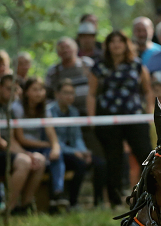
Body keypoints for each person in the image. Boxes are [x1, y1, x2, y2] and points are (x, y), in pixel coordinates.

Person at [87, 30, 154, 207]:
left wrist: (150, 114)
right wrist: (92, 119)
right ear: (107, 45)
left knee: (146, 155)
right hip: (108, 118)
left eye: (120, 41)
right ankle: (115, 201)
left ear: (126, 44)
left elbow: (147, 92)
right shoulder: (99, 66)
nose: (116, 44)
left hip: (135, 117)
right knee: (113, 160)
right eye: (112, 41)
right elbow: (92, 94)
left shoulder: (137, 65)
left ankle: (150, 196)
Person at [11, 77, 69, 211]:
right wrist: (46, 144)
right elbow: (20, 139)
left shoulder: (45, 109)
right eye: (35, 89)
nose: (39, 93)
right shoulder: (17, 108)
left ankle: (56, 194)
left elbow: (51, 132)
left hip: (39, 147)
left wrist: (55, 147)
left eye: (41, 89)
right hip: (23, 147)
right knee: (35, 160)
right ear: (26, 92)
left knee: (53, 156)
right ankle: (14, 205)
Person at [0, 74, 46, 214]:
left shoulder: (9, 110)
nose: (13, 92)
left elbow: (12, 140)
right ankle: (9, 208)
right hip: (1, 151)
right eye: (9, 89)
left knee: (38, 160)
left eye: (15, 89)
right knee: (23, 162)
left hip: (5, 152)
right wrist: (22, 156)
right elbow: (2, 142)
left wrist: (27, 153)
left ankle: (25, 206)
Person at [47, 79, 92, 209]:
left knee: (96, 164)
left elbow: (77, 136)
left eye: (72, 93)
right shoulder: (49, 111)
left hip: (70, 150)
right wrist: (74, 152)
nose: (69, 96)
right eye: (66, 92)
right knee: (75, 163)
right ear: (57, 94)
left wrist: (83, 151)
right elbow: (53, 140)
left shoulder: (74, 112)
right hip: (55, 150)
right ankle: (64, 201)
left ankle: (92, 202)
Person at [45, 37, 95, 108]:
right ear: (57, 52)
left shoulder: (87, 64)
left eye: (68, 47)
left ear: (76, 49)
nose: (65, 50)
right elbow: (48, 95)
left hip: (88, 111)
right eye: (62, 48)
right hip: (64, 115)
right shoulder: (53, 71)